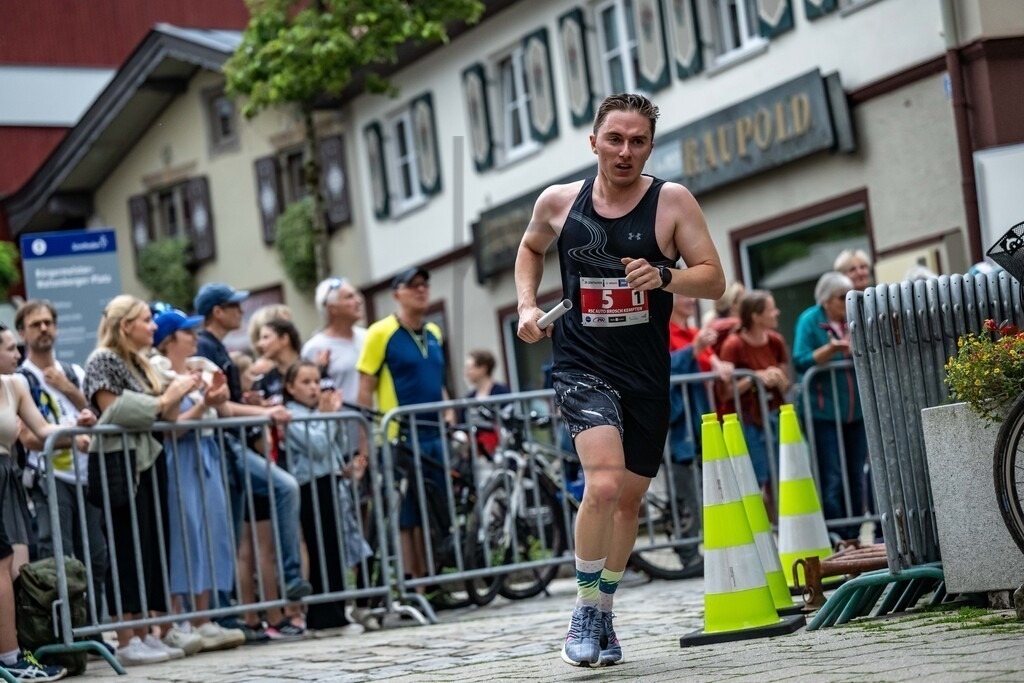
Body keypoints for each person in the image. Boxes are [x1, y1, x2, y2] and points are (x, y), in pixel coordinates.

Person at [514, 93, 724, 668]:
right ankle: (582, 610)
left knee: (628, 502)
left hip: (645, 371)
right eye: (615, 139)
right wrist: (528, 306)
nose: (625, 151)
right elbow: (531, 248)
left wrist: (663, 276)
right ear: (594, 142)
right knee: (602, 485)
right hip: (582, 363)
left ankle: (605, 613)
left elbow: (713, 280)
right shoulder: (560, 202)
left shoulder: (671, 202)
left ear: (650, 147)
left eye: (637, 141)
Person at [82, 295, 202, 665]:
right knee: (125, 545)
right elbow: (113, 409)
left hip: (147, 458)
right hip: (120, 461)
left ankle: (148, 630)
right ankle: (125, 636)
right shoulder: (102, 360)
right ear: (125, 326)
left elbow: (164, 410)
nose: (153, 326)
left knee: (150, 545)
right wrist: (167, 397)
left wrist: (184, 396)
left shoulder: (139, 361)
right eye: (146, 320)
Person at [192, 283, 312, 626]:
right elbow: (218, 407)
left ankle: (236, 610)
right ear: (217, 311)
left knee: (233, 527)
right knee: (235, 525)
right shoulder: (205, 346)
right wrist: (262, 414)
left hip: (230, 445)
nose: (241, 311)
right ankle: (229, 612)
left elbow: (226, 404)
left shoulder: (217, 346)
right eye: (234, 305)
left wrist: (250, 404)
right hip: (222, 444)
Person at [149, 308, 246, 652]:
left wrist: (216, 398)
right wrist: (205, 403)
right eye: (187, 332)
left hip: (206, 451)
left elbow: (226, 411)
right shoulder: (159, 371)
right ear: (170, 339)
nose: (195, 336)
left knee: (212, 530)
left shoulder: (199, 368)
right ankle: (179, 619)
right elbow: (173, 427)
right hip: (181, 456)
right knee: (184, 532)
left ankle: (205, 618)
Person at [357, 266, 455, 585]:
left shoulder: (434, 332)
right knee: (408, 512)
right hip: (400, 435)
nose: (421, 290)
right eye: (412, 286)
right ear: (396, 293)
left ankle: (434, 577)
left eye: (425, 285)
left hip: (434, 432)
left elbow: (435, 377)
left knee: (437, 507)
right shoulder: (380, 333)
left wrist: (448, 408)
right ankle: (414, 580)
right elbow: (364, 388)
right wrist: (364, 442)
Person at [13, 300, 108, 618]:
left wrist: (69, 389)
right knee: (58, 556)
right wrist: (71, 440)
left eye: (48, 323)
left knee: (95, 556)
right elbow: (29, 436)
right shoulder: (21, 378)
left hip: (85, 475)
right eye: (35, 324)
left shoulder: (73, 372)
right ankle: (65, 628)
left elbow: (96, 413)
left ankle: (92, 626)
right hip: (49, 477)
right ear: (22, 333)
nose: (43, 329)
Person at [282, 361, 371, 634]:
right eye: (305, 382)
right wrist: (327, 416)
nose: (313, 388)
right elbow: (317, 446)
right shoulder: (291, 414)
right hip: (311, 485)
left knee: (335, 547)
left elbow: (329, 448)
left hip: (331, 480)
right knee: (321, 547)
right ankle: (322, 615)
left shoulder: (316, 412)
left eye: (316, 381)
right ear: (290, 387)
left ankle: (338, 611)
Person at [792, 272, 869, 540]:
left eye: (849, 296)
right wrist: (831, 350)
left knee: (856, 473)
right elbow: (800, 360)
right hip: (823, 412)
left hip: (855, 411)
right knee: (832, 475)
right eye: (841, 297)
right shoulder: (810, 320)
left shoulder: (855, 317)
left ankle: (854, 533)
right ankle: (836, 533)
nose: (846, 302)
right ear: (826, 300)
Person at [718, 290, 790, 521]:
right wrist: (755, 377)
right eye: (771, 309)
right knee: (756, 479)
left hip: (775, 414)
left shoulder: (776, 341)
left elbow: (786, 384)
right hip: (748, 420)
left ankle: (782, 529)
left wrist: (778, 378)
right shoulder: (734, 344)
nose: (777, 312)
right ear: (757, 316)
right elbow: (726, 391)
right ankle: (762, 529)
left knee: (782, 475)